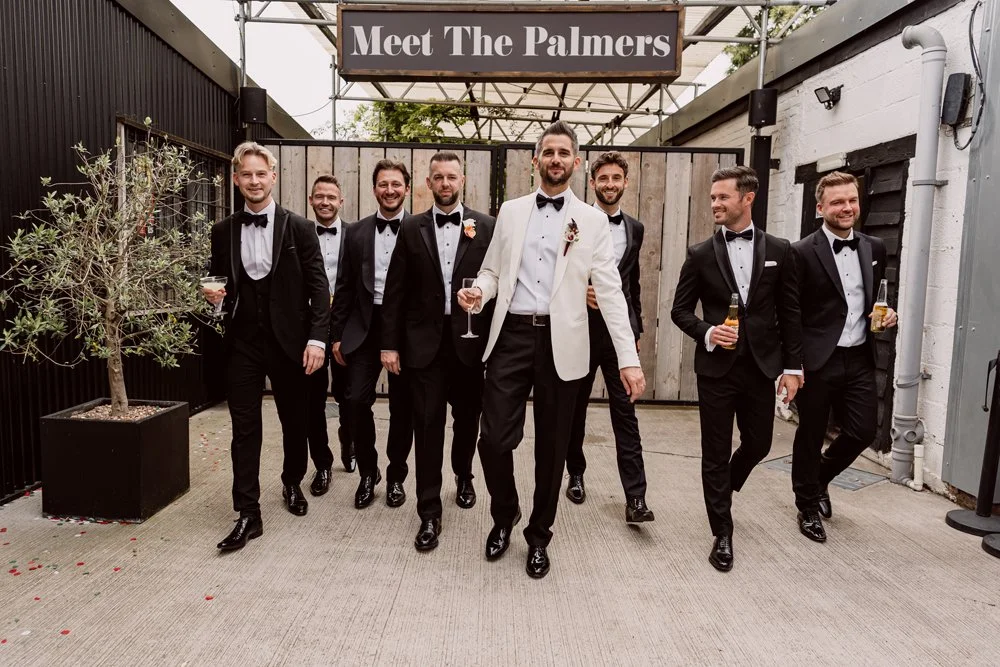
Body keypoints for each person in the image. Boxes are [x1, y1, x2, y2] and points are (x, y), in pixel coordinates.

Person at [458, 121, 645, 579]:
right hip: (512, 336)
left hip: (564, 342)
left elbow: (611, 291)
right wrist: (479, 293)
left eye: (565, 153)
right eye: (549, 152)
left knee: (553, 450)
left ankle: (539, 536)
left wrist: (628, 358)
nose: (556, 160)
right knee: (493, 439)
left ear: (576, 162)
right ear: (535, 160)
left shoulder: (594, 220)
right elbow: (492, 272)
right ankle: (505, 515)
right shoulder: (511, 211)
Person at [670, 165, 802, 572]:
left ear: (748, 198)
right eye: (712, 198)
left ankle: (722, 488)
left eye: (722, 197)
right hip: (716, 369)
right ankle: (722, 531)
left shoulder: (781, 250)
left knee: (759, 443)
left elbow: (790, 312)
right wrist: (709, 332)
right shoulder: (700, 254)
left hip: (762, 367)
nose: (715, 204)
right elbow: (679, 311)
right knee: (714, 450)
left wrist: (793, 368)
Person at [203, 142, 329, 552]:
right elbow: (220, 284)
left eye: (261, 174)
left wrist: (316, 339)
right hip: (243, 342)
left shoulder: (300, 228)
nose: (254, 181)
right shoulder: (222, 231)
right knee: (245, 427)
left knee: (295, 421)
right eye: (247, 174)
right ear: (236, 179)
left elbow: (318, 288)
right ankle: (248, 513)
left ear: (273, 177)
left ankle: (292, 481)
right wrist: (215, 299)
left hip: (290, 343)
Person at [381, 152, 496, 551]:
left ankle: (464, 475)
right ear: (427, 184)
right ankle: (429, 512)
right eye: (437, 178)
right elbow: (395, 290)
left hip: (469, 344)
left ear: (461, 180)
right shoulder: (411, 228)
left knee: (467, 421)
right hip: (422, 348)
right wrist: (390, 345)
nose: (445, 184)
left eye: (451, 177)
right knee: (427, 427)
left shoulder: (486, 226)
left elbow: (496, 286)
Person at [790, 171, 898, 542]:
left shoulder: (874, 247)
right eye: (837, 202)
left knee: (862, 430)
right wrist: (793, 363)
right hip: (817, 360)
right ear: (820, 208)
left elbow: (874, 301)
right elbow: (790, 313)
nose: (847, 207)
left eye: (852, 200)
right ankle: (806, 506)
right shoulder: (801, 252)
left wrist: (887, 315)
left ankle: (818, 479)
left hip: (858, 356)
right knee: (811, 432)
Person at [564, 151, 654, 524]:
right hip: (580, 329)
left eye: (617, 178)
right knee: (575, 410)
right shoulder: (575, 221)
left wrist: (635, 331)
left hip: (619, 336)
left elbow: (631, 285)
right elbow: (560, 268)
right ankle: (576, 473)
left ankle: (636, 497)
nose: (610, 184)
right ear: (593, 182)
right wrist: (578, 289)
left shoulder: (635, 228)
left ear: (625, 182)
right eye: (604, 178)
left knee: (626, 414)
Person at [331, 160, 414, 510]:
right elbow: (344, 286)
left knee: (403, 408)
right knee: (353, 401)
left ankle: (395, 476)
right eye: (383, 184)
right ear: (374, 188)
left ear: (406, 188)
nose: (390, 190)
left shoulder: (421, 228)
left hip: (406, 331)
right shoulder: (357, 232)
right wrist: (336, 334)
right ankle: (369, 473)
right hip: (364, 327)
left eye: (396, 184)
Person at [304, 175, 355, 499]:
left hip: (346, 323)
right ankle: (322, 464)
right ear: (311, 200)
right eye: (319, 196)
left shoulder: (355, 235)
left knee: (349, 395)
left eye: (331, 197)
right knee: (311, 399)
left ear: (341, 201)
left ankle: (348, 441)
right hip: (308, 325)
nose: (325, 201)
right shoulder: (297, 232)